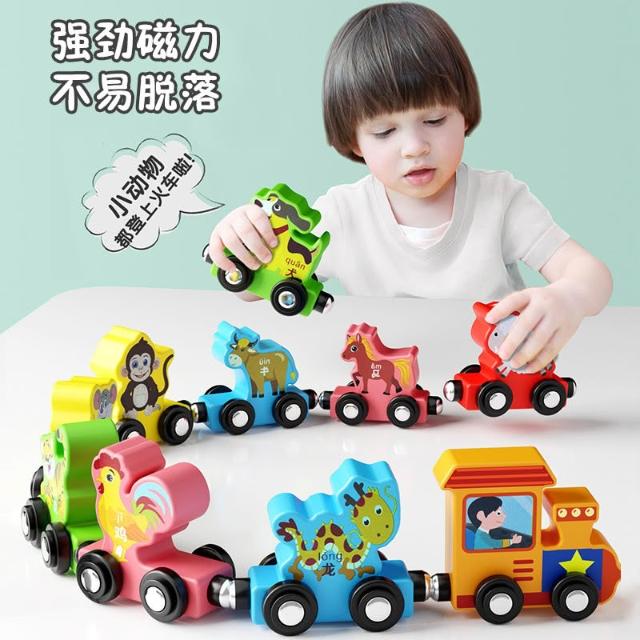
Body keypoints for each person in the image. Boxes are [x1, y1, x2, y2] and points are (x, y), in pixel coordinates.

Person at [207, 3, 612, 373]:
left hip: (496, 384)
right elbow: (253, 291)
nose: (415, 147)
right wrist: (239, 238)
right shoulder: (342, 215)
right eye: (384, 131)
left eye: (434, 121)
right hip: (390, 390)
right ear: (354, 142)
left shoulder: (500, 201)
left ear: (464, 115)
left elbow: (591, 274)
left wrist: (570, 297)